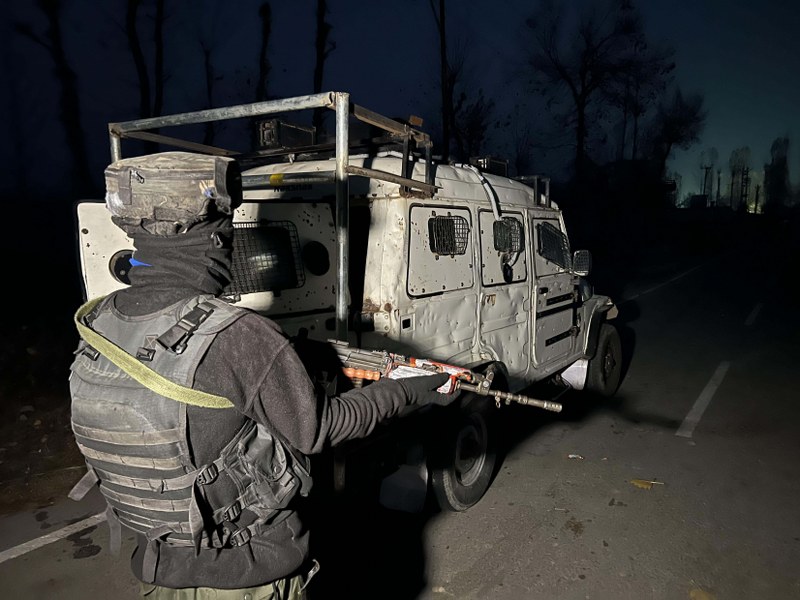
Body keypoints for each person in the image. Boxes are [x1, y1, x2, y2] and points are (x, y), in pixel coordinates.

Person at [68, 151, 456, 599]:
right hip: (244, 577)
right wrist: (410, 390)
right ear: (214, 239)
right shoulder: (238, 335)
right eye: (228, 233)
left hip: (159, 570)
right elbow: (320, 430)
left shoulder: (97, 322)